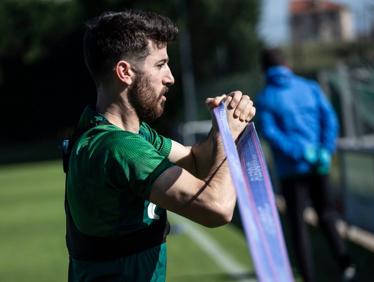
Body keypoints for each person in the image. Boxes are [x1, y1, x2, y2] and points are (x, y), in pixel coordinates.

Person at [62, 9, 256, 282]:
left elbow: (197, 164)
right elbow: (217, 207)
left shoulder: (130, 134)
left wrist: (221, 126)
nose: (170, 77)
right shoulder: (119, 148)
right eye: (160, 65)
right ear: (125, 72)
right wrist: (228, 136)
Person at [255, 48, 356, 282]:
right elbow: (329, 119)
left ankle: (308, 277)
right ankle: (346, 265)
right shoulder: (309, 87)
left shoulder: (267, 96)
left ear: (264, 70)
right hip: (319, 165)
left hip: (291, 170)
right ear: (287, 65)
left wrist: (301, 153)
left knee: (298, 227)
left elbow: (271, 133)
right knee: (327, 215)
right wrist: (325, 150)